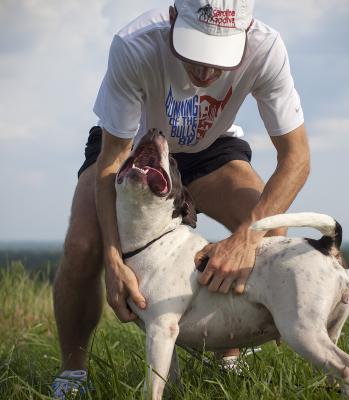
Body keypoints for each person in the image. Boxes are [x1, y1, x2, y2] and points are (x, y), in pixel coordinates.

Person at [51, 0, 310, 397]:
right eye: (196, 51)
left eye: (218, 58)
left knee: (267, 229)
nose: (205, 72)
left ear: (246, 32)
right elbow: (112, 161)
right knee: (83, 245)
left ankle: (229, 351)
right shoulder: (135, 45)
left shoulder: (267, 49)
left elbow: (297, 159)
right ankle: (72, 375)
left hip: (210, 150)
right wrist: (114, 259)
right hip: (134, 148)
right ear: (173, 18)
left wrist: (246, 236)